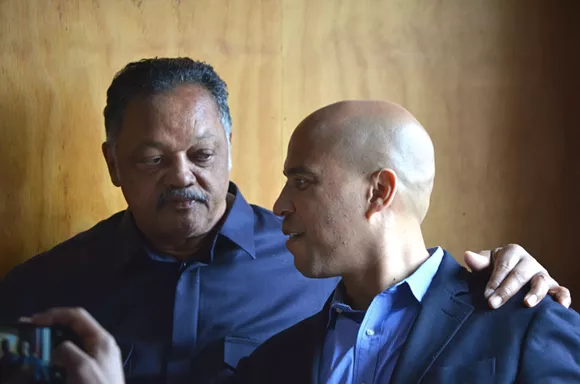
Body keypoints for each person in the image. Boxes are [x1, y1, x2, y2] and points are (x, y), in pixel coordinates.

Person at [0, 58, 571, 383]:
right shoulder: (39, 291)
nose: (181, 178)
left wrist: (527, 299)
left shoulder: (517, 311)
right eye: (151, 159)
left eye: (201, 155)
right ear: (113, 164)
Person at [233, 100, 580, 383]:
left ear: (379, 192)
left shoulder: (528, 323)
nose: (279, 205)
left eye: (303, 182)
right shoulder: (270, 364)